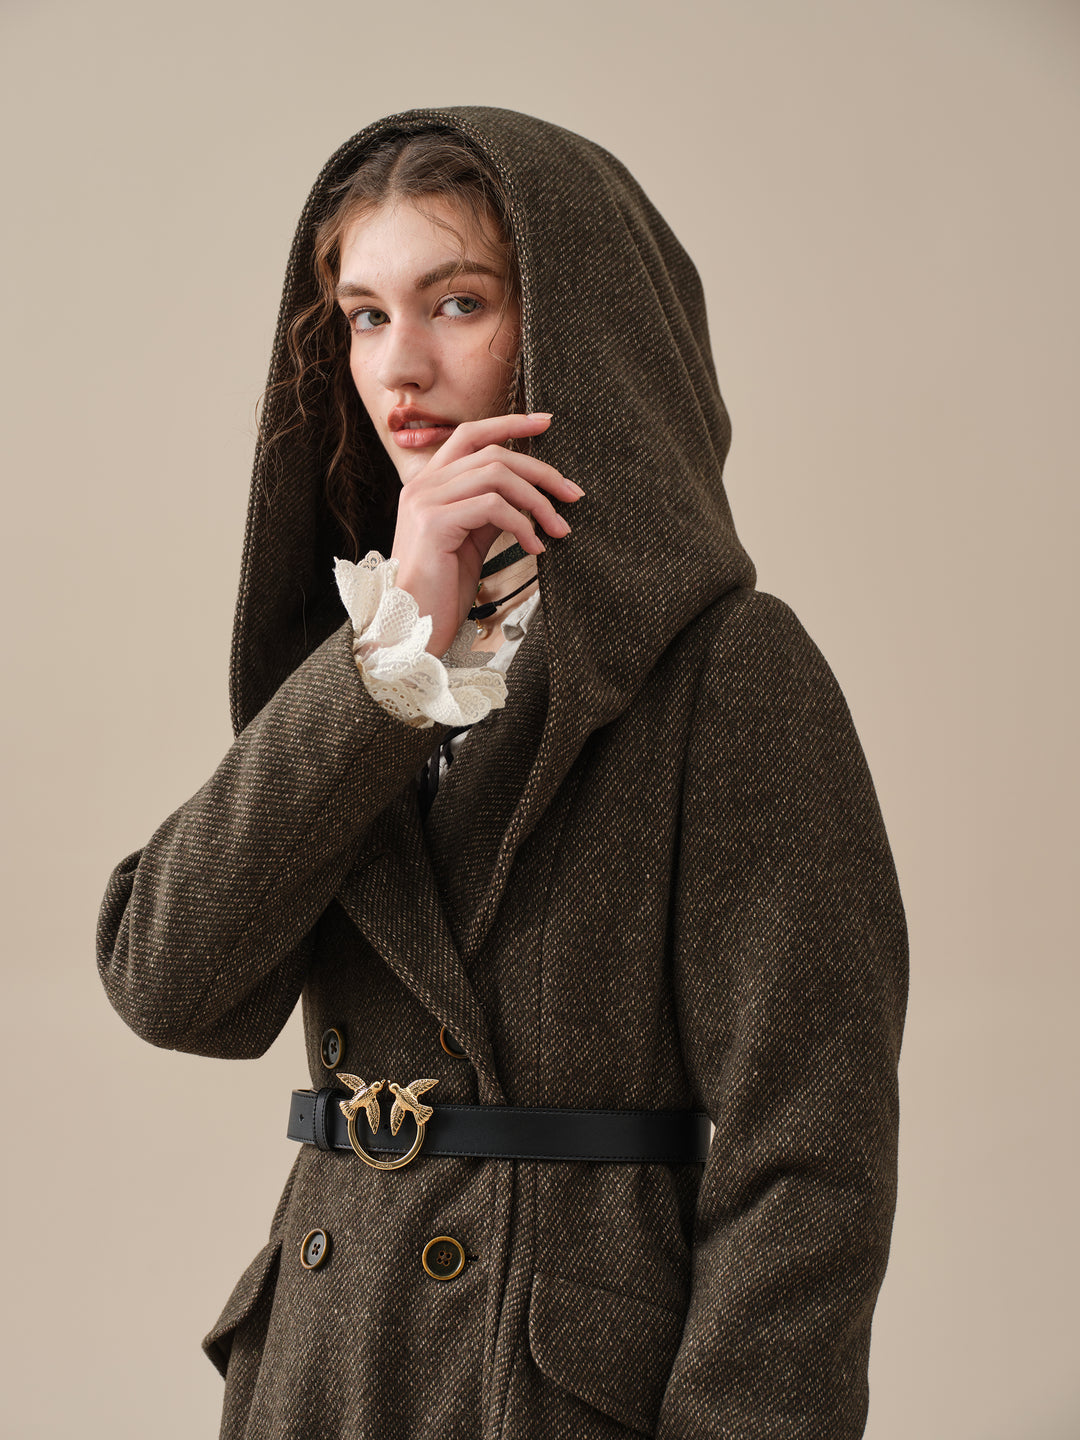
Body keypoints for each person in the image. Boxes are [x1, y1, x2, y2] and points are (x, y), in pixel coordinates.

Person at [96, 106, 909, 1439]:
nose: (400, 367)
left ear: (572, 332)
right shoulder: (362, 655)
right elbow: (167, 983)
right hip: (318, 1380)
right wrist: (390, 658)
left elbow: (809, 1161)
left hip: (552, 1396)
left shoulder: (728, 671)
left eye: (456, 303)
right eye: (365, 316)